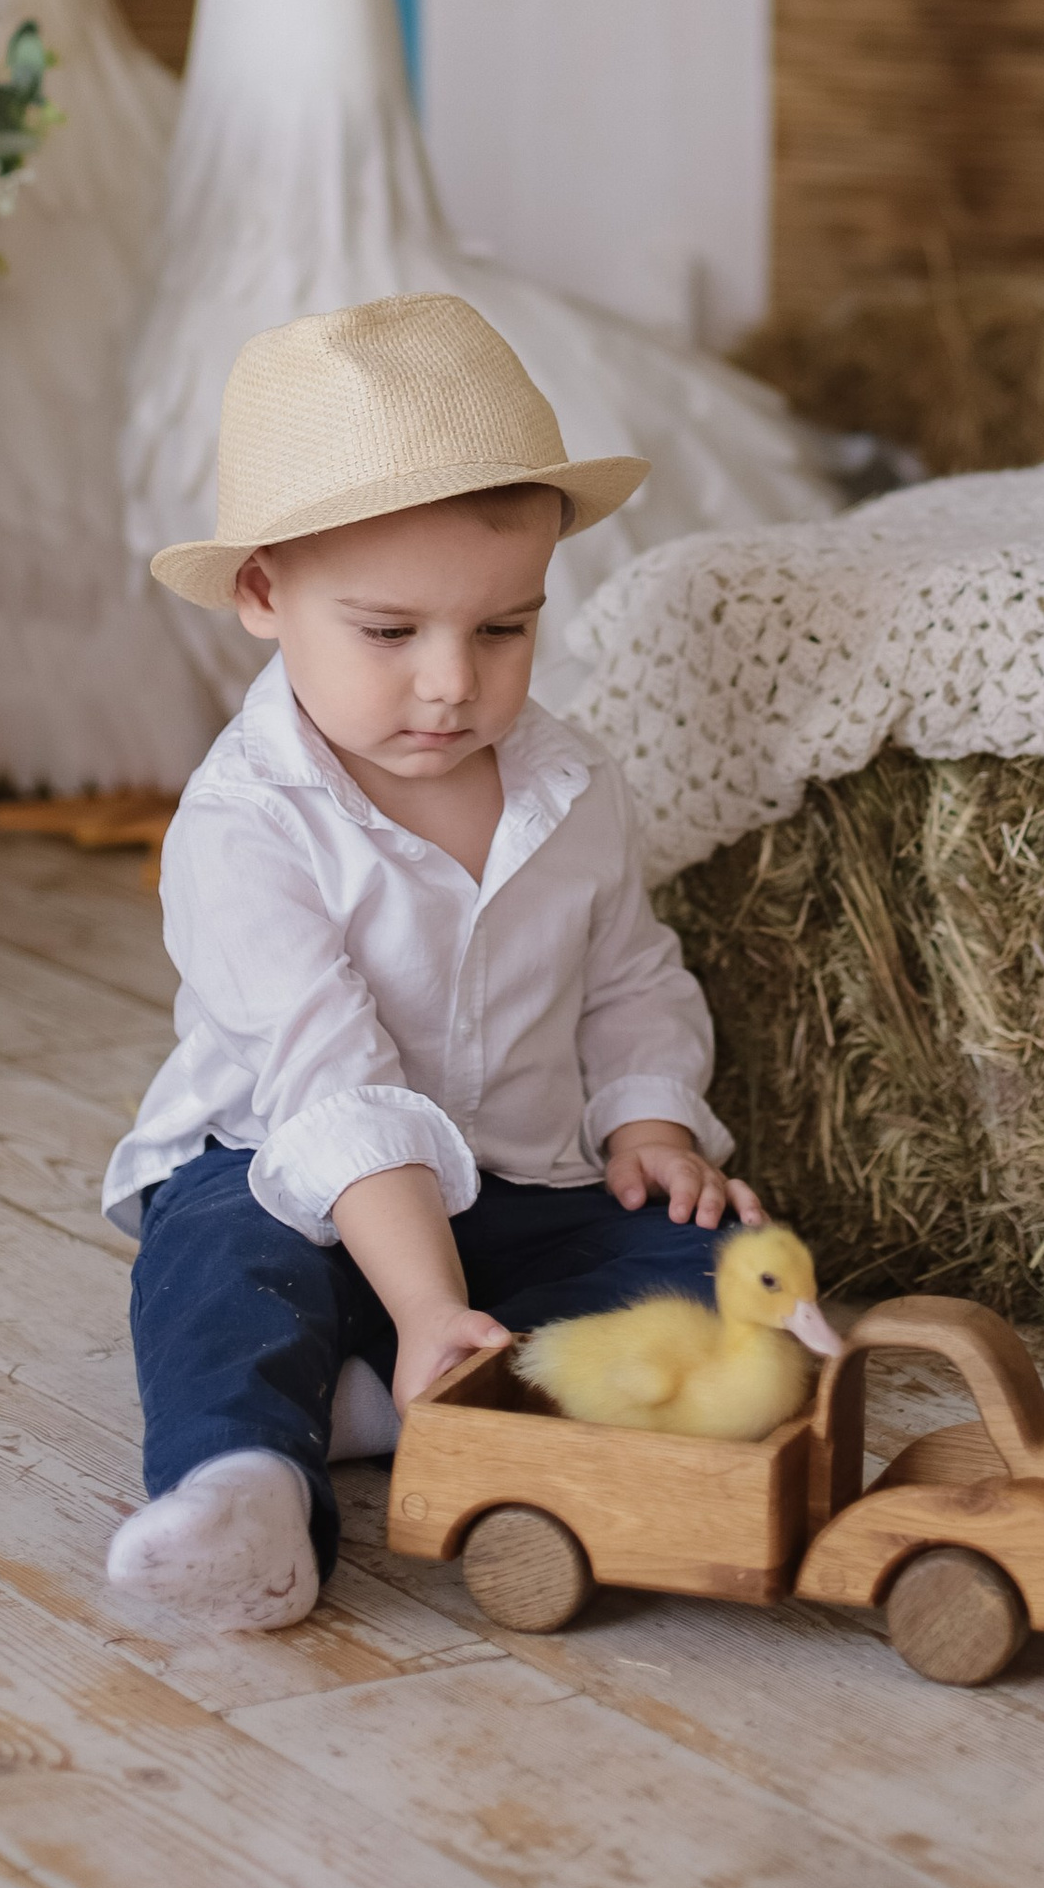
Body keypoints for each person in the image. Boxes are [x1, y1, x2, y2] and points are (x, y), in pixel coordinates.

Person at [103, 289, 763, 1632]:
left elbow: (629, 978)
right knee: (217, 1266)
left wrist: (650, 1127)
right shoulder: (244, 830)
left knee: (729, 1270)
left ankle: (402, 1394)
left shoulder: (572, 788)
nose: (455, 683)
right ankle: (248, 1481)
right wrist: (421, 1297)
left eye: (503, 628)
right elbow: (327, 1079)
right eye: (392, 633)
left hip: (523, 1174)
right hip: (293, 1172)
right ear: (263, 593)